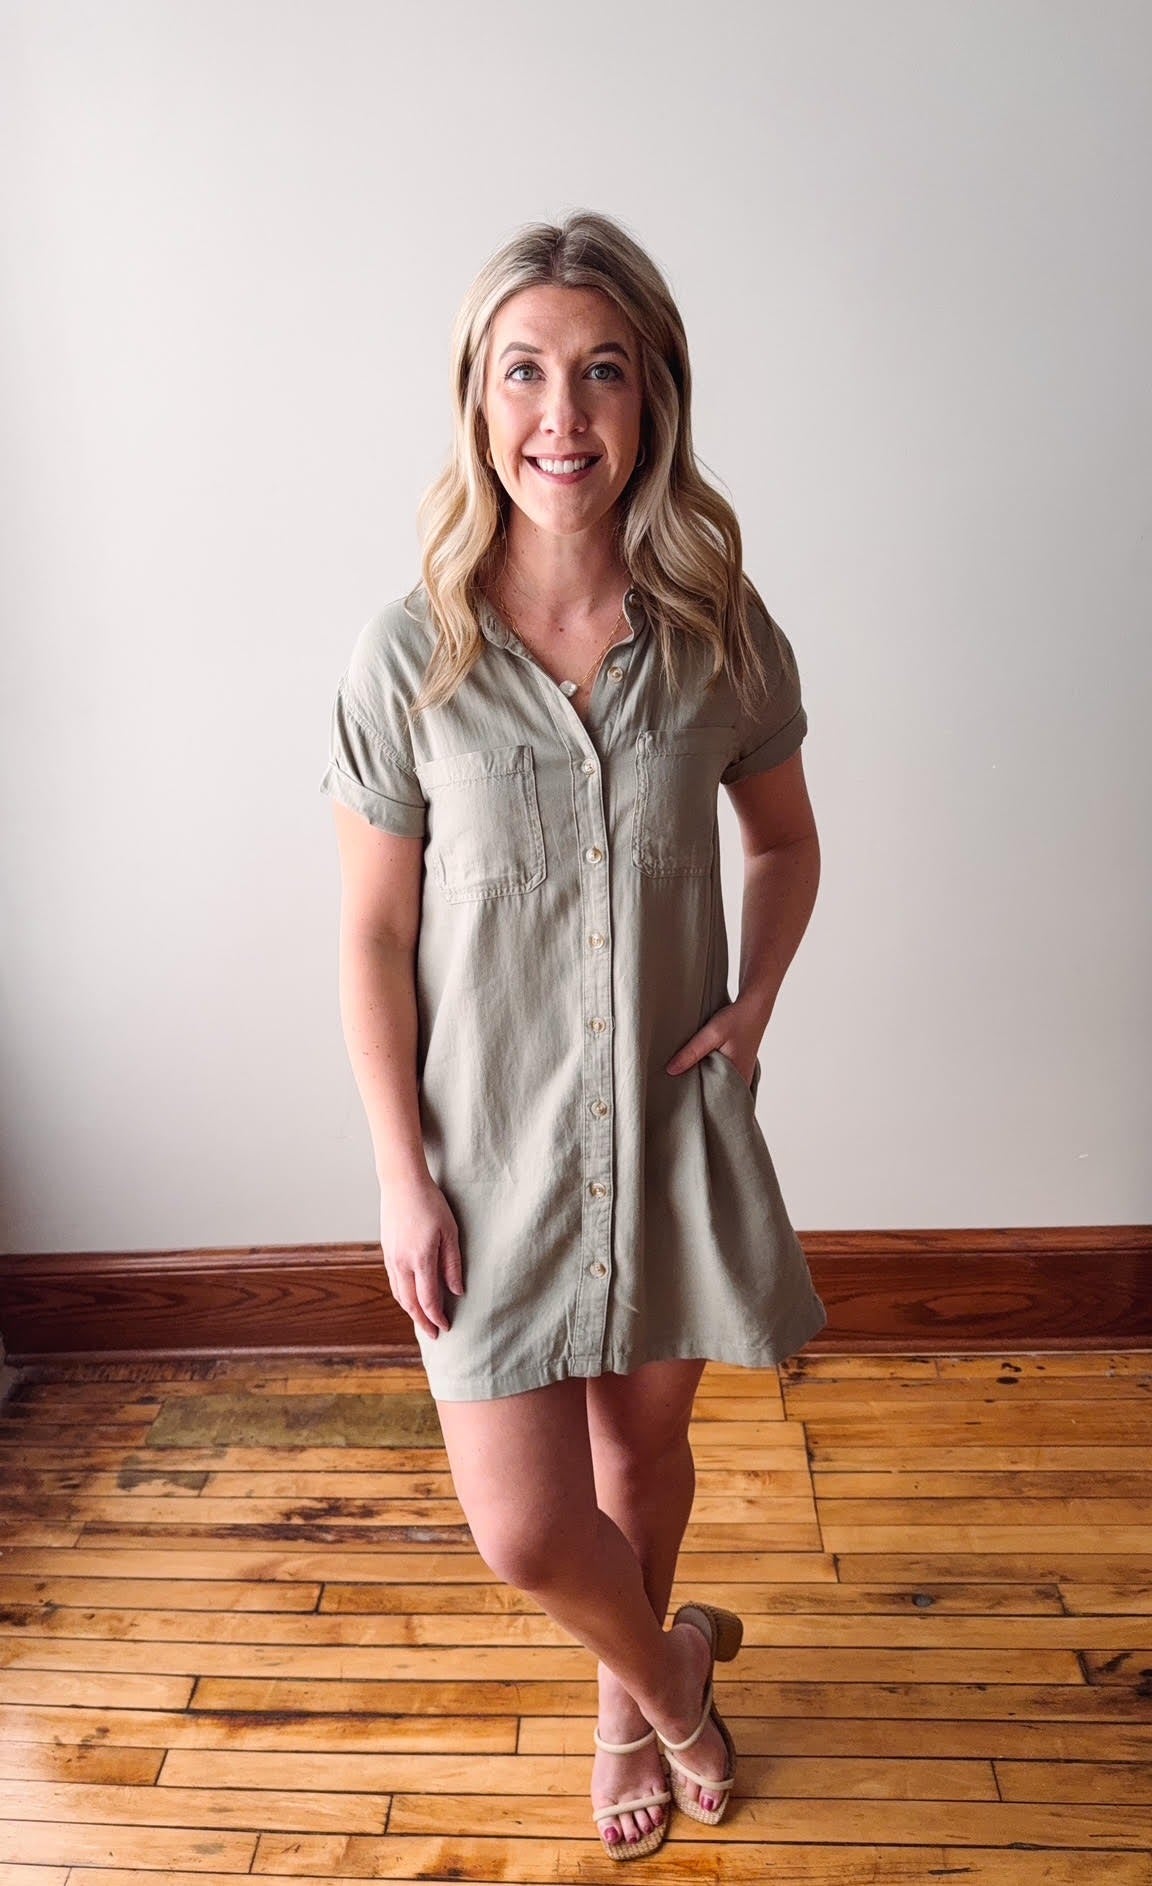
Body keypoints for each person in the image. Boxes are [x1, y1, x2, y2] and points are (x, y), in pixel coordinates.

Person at [320, 209, 828, 1860]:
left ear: (653, 399)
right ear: (476, 398)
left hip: (668, 1132)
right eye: (527, 370)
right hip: (490, 1148)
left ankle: (619, 1708)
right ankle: (674, 1675)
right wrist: (403, 1176)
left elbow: (787, 841)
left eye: (602, 372)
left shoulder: (719, 631)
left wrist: (751, 1008)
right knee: (530, 1526)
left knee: (643, 1457)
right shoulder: (411, 658)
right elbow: (373, 935)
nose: (565, 414)